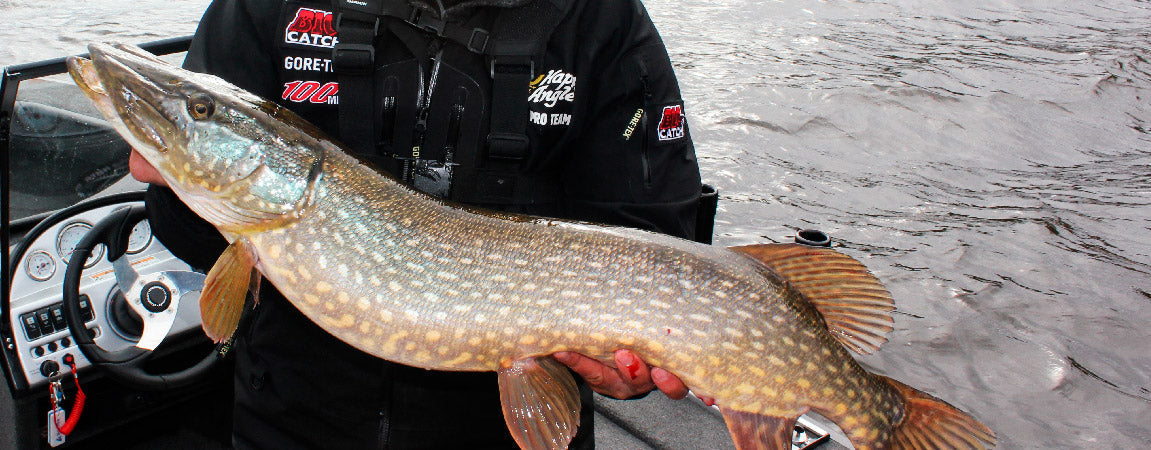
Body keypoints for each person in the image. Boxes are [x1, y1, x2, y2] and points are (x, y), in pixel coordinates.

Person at [132, 0, 709, 447]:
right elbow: (189, 238)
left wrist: (631, 370)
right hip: (292, 421)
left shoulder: (601, 21)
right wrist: (188, 191)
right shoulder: (266, 8)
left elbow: (659, 241)